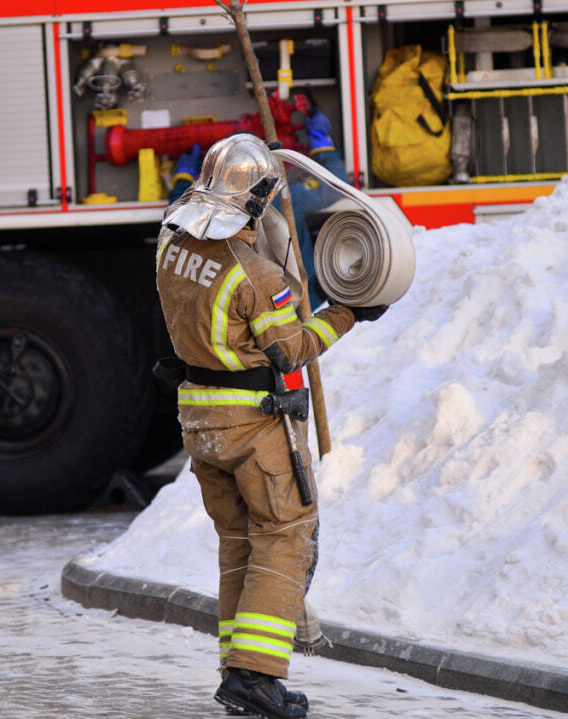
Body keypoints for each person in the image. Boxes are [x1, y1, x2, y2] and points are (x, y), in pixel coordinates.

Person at [155, 133, 387, 719]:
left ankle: (237, 670)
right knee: (283, 538)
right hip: (254, 427)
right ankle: (256, 677)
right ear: (256, 201)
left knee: (238, 543)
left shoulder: (173, 247)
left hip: (199, 421)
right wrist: (348, 313)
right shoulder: (255, 274)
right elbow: (292, 349)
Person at [170, 108, 352, 308]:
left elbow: (178, 215)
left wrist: (184, 176)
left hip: (257, 316)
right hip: (307, 307)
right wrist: (322, 144)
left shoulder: (213, 208)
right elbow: (337, 185)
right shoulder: (285, 199)